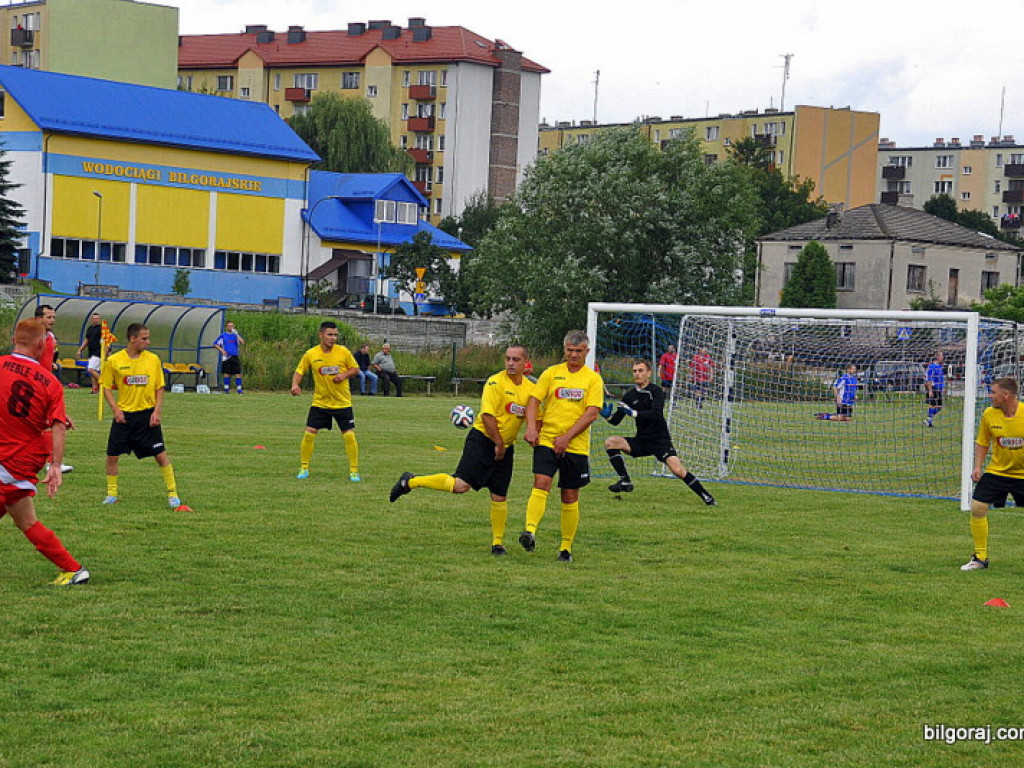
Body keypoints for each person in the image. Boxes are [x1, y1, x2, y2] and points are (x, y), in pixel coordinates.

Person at [389, 346, 535, 553]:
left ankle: (497, 543)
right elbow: (487, 416)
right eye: (508, 359)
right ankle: (410, 482)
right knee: (460, 485)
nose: (511, 363)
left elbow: (534, 419)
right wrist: (498, 444)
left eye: (516, 359)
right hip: (483, 440)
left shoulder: (530, 389)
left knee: (499, 495)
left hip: (506, 447)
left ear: (526, 362)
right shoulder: (495, 383)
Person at [0, 319, 89, 585]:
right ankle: (73, 569)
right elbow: (57, 426)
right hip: (25, 458)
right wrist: (55, 465)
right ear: (41, 345)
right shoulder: (49, 381)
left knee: (25, 519)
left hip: (7, 460)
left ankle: (74, 570)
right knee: (26, 520)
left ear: (15, 338)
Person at [519, 330, 604, 562]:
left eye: (578, 351)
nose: (573, 355)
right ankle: (530, 531)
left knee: (569, 494)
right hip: (547, 439)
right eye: (569, 350)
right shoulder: (551, 373)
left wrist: (567, 437)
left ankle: (565, 548)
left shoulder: (593, 379)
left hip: (575, 446)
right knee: (542, 482)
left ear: (586, 352)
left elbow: (592, 413)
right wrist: (531, 428)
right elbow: (534, 401)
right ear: (564, 350)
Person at [101, 322, 190, 509]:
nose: (148, 342)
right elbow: (106, 386)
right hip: (124, 416)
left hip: (147, 416)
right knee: (112, 456)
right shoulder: (114, 361)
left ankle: (173, 494)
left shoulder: (153, 359)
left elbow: (159, 387)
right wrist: (115, 409)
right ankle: (112, 494)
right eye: (144, 338)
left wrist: (157, 411)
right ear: (132, 339)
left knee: (160, 455)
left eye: (148, 338)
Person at [603, 359, 716, 505]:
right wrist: (607, 416)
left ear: (649, 373)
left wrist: (634, 413)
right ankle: (625, 481)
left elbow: (656, 414)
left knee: (678, 470)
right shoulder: (629, 396)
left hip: (659, 440)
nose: (637, 374)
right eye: (634, 371)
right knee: (610, 442)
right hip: (642, 441)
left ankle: (707, 497)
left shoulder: (656, 391)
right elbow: (615, 421)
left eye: (641, 370)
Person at [961, 377, 1024, 570]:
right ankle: (980, 557)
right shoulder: (989, 414)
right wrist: (978, 467)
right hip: (998, 472)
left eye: (993, 392)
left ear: (1006, 395)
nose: (990, 395)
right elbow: (983, 441)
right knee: (978, 507)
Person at [291, 321, 361, 482]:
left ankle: (354, 471)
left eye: (335, 335)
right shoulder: (311, 354)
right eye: (329, 334)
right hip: (320, 402)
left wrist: (343, 375)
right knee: (309, 433)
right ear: (321, 335)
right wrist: (295, 385)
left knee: (349, 436)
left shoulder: (343, 352)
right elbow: (299, 371)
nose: (333, 338)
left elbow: (355, 369)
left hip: (342, 402)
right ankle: (304, 468)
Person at [34, 303, 72, 473]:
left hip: (46, 385)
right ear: (38, 319)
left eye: (53, 317)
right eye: (49, 317)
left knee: (51, 422)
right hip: (36, 386)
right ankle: (51, 462)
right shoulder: (34, 338)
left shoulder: (50, 337)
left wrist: (51, 366)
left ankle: (51, 461)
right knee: (50, 423)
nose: (52, 320)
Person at [213, 320, 246, 394]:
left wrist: (237, 334)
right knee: (226, 373)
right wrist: (221, 350)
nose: (231, 327)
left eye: (232, 326)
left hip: (234, 356)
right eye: (229, 326)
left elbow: (242, 342)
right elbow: (215, 344)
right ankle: (226, 389)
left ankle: (239, 390)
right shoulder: (223, 335)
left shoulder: (235, 335)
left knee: (238, 373)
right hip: (226, 357)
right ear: (226, 327)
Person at [76, 312, 103, 394]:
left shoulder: (102, 328)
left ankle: (104, 384)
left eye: (97, 318)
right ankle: (95, 389)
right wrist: (80, 350)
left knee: (90, 369)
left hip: (98, 353)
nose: (96, 320)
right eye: (94, 318)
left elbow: (106, 340)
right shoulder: (90, 328)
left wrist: (107, 351)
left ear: (99, 319)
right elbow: (86, 340)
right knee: (94, 370)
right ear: (91, 320)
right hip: (91, 352)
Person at [925, 351, 945, 427]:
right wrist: (930, 391)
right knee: (932, 405)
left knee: (939, 407)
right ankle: (929, 421)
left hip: (939, 389)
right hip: (933, 388)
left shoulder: (940, 366)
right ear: (938, 357)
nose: (943, 358)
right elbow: (929, 379)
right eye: (942, 356)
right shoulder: (931, 367)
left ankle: (929, 418)